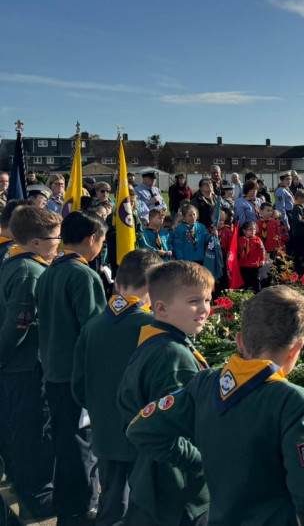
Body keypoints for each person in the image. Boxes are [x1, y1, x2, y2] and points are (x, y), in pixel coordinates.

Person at [126, 286, 304, 525]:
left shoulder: (204, 384)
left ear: (240, 341)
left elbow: (141, 428)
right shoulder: (292, 401)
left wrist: (197, 462)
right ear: (297, 348)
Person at [116, 261, 212, 526]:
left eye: (207, 299)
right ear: (160, 307)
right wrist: (204, 461)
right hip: (178, 492)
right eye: (194, 301)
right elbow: (167, 430)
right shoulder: (173, 357)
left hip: (157, 483)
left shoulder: (158, 343)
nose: (204, 308)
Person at [72, 249, 162, 526]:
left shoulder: (93, 326)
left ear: (116, 283)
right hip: (144, 434)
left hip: (105, 430)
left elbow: (78, 387)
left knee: (112, 501)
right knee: (145, 505)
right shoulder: (154, 327)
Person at [36, 210, 108, 523]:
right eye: (102, 239)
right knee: (82, 443)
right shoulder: (83, 275)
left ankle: (67, 501)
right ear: (92, 238)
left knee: (65, 442)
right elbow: (94, 331)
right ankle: (83, 505)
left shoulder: (50, 270)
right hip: (76, 376)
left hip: (53, 370)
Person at [0, 206, 58, 520]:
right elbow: (17, 326)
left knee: (20, 431)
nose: (58, 243)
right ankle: (37, 497)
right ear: (35, 242)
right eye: (53, 238)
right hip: (24, 367)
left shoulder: (17, 261)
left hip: (18, 366)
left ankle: (29, 489)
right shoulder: (30, 272)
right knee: (32, 433)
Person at [237, 222, 266, 293]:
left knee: (256, 280)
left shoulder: (258, 240)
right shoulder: (240, 240)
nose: (253, 231)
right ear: (244, 231)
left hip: (254, 265)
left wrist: (262, 260)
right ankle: (246, 294)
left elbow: (262, 251)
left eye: (254, 229)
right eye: (250, 229)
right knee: (246, 281)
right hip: (243, 265)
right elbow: (237, 251)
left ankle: (258, 293)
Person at [288, 190, 304, 275]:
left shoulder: (300, 207)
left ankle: (301, 269)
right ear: (300, 198)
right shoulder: (297, 208)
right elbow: (297, 221)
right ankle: (302, 269)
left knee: (302, 252)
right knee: (302, 252)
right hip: (300, 234)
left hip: (301, 233)